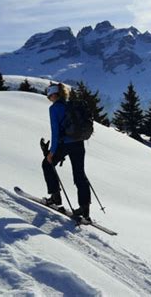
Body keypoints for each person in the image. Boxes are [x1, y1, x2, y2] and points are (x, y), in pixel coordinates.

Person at [42, 83, 91, 221]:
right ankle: (84, 208)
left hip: (65, 144)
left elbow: (55, 132)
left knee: (47, 164)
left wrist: (51, 152)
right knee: (80, 175)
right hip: (79, 144)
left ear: (52, 95)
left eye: (49, 96)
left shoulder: (54, 109)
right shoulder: (72, 105)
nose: (49, 99)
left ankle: (55, 196)